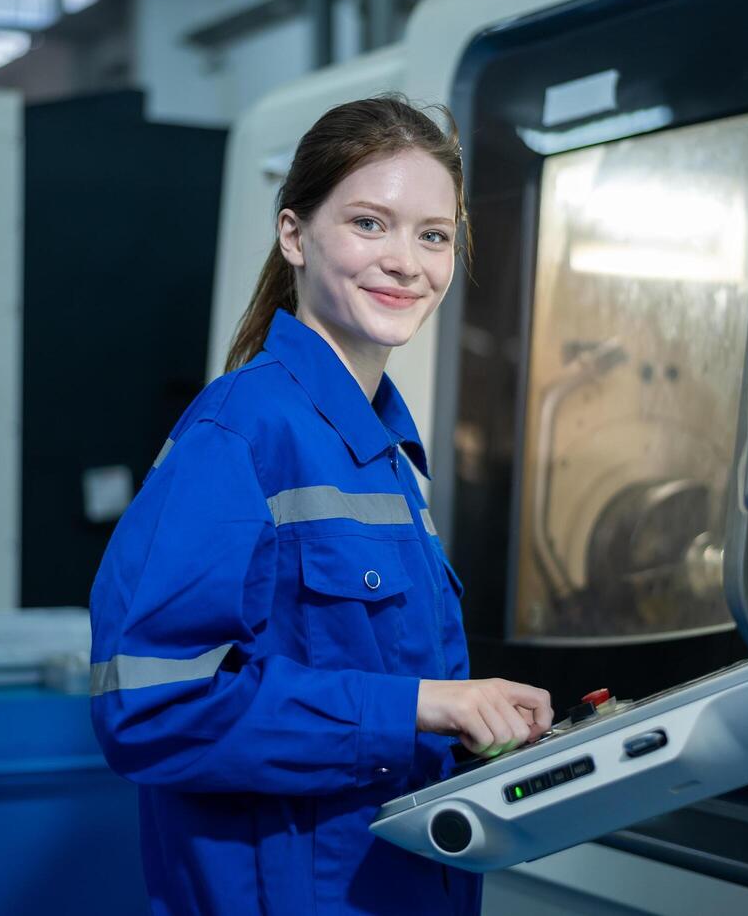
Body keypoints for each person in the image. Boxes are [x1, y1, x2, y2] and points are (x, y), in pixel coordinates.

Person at [89, 96, 554, 916]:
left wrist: (474, 723)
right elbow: (148, 709)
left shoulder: (384, 454)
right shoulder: (242, 434)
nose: (407, 262)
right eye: (370, 224)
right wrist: (418, 706)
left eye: (432, 235)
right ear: (294, 236)